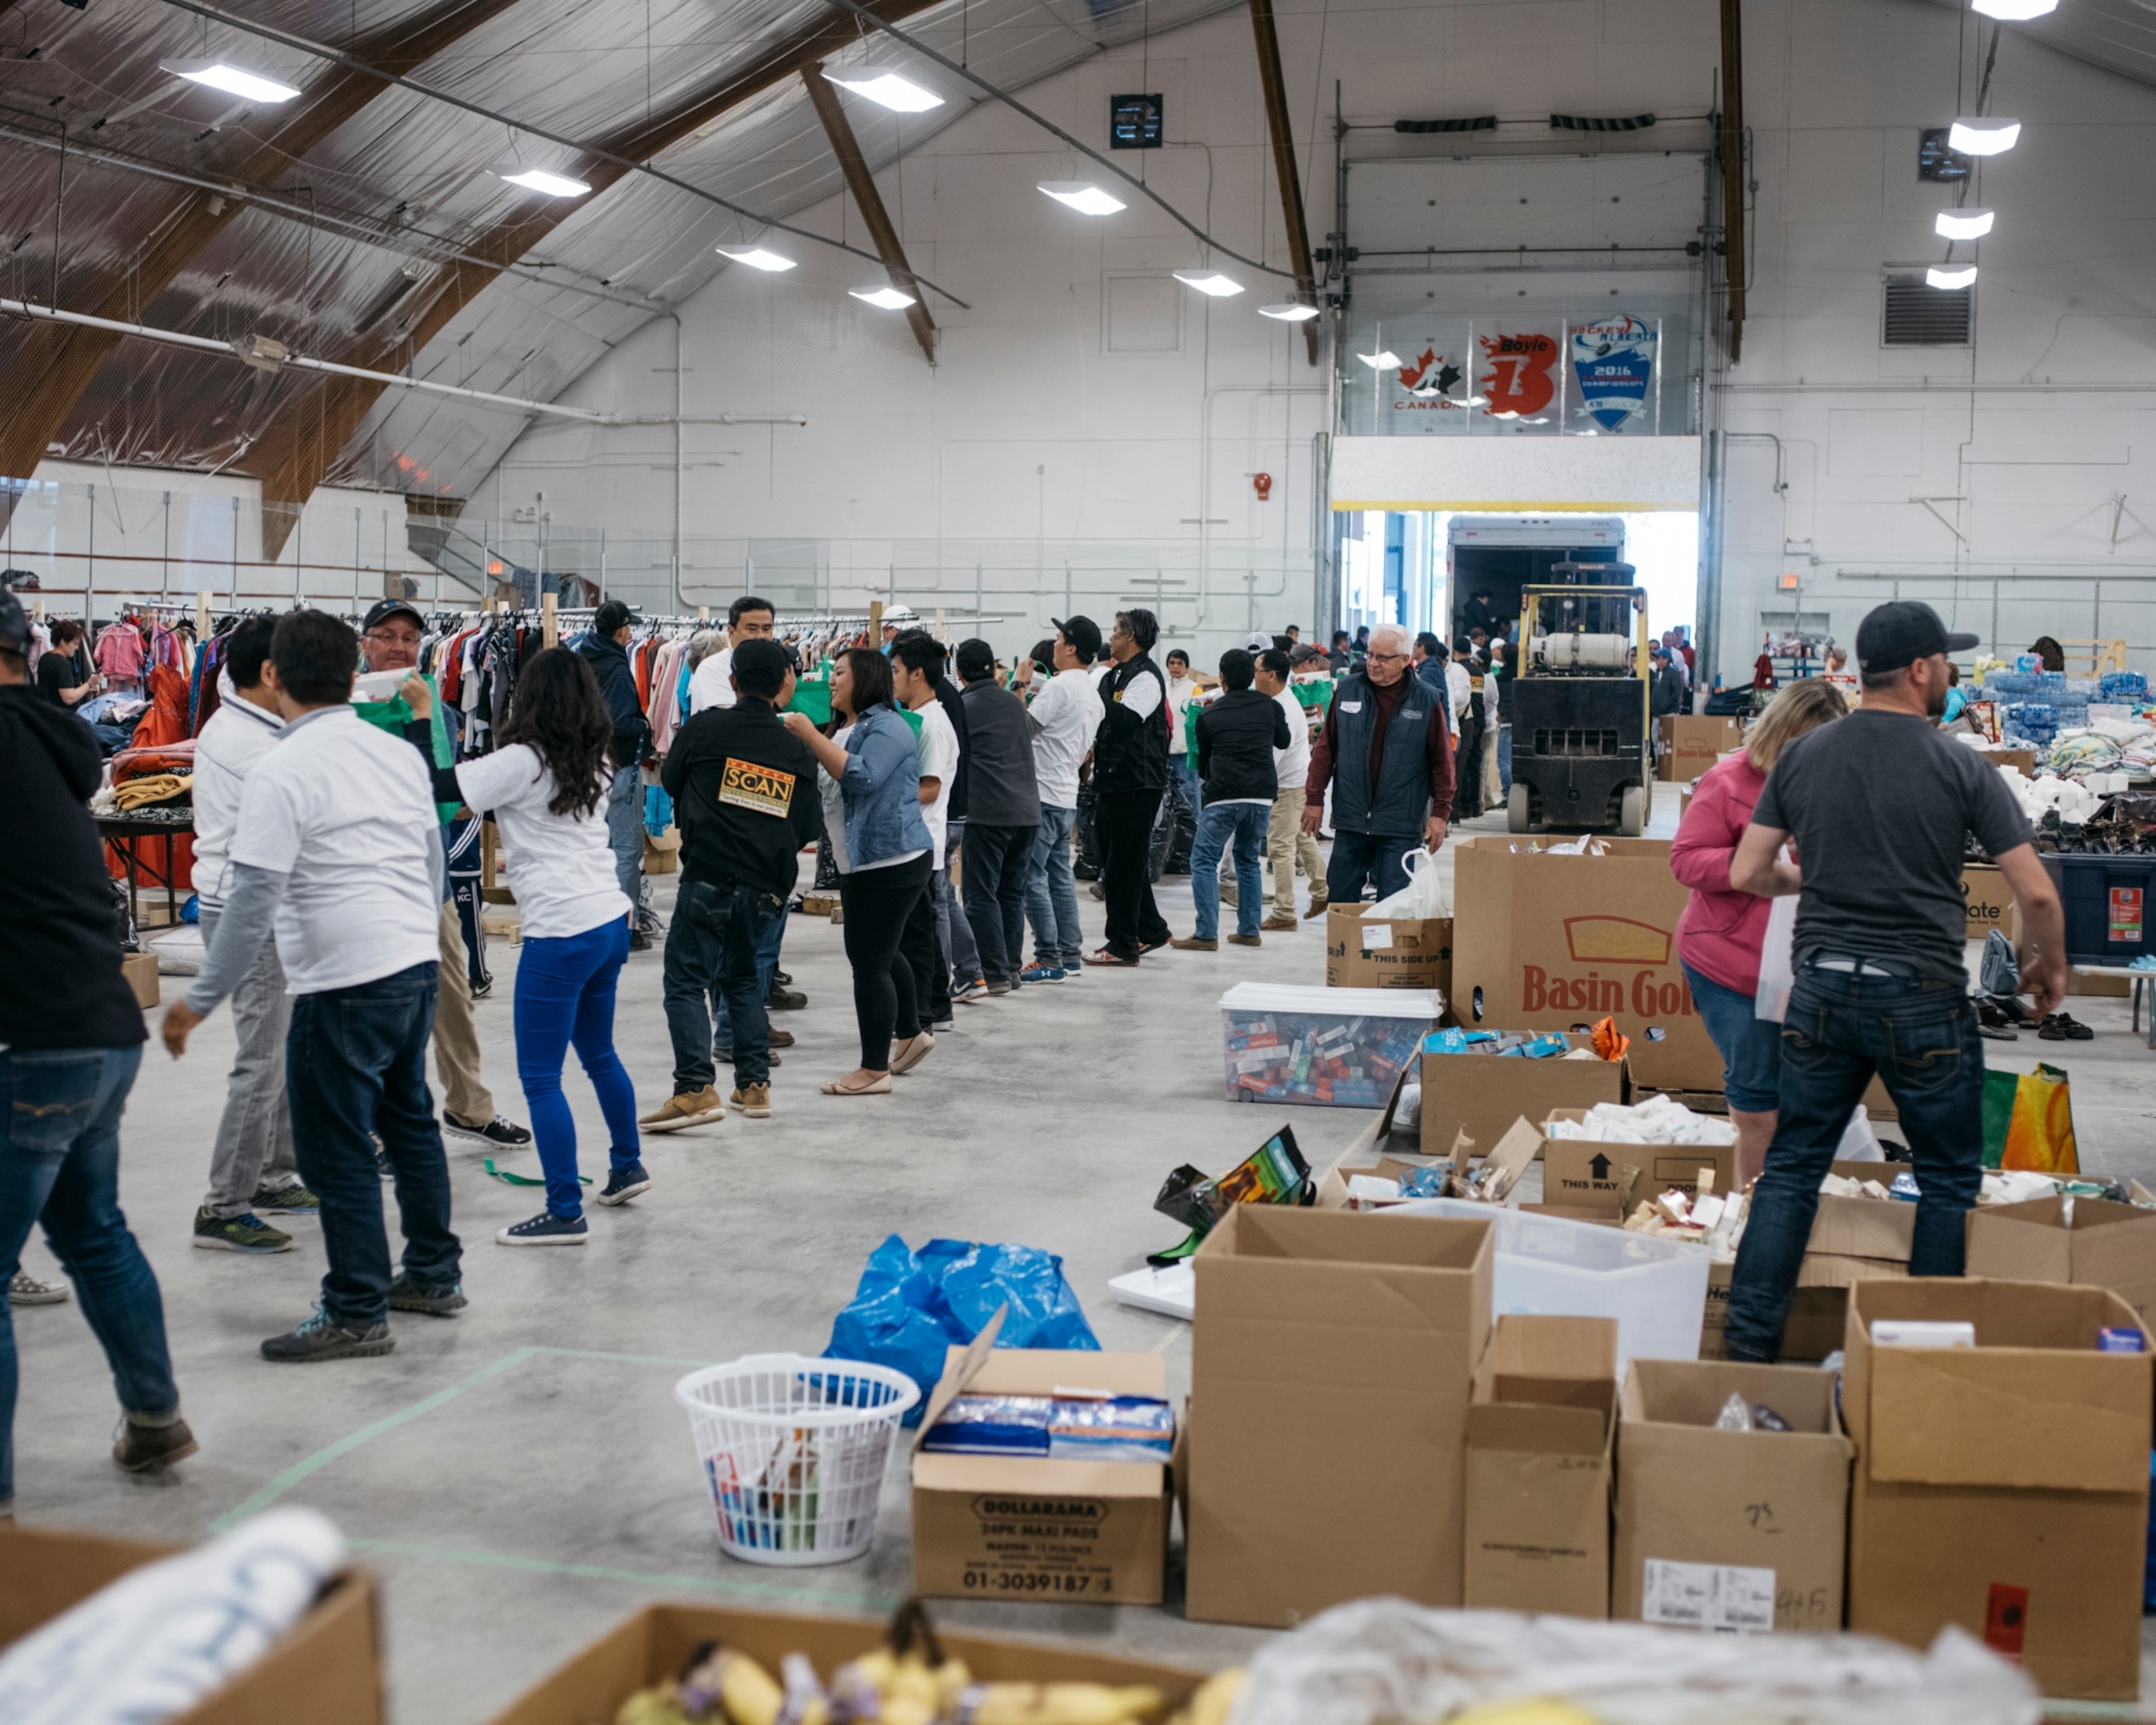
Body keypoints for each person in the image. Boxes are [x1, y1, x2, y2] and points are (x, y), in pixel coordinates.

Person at [1721, 601, 2068, 1362]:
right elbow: (2036, 892)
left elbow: (1748, 870)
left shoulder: (1805, 757)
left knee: (1791, 1173)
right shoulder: (1960, 763)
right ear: (1919, 670)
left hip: (1821, 992)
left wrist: (1816, 885)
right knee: (1946, 1179)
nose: (1950, 674)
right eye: (1946, 662)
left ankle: (1745, 1352)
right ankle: (1919, 1361)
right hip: (1922, 997)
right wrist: (2051, 965)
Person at [164, 609, 466, 1362]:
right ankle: (432, 1272)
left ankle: (356, 1308)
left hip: (341, 979)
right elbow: (432, 863)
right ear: (354, 670)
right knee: (411, 1124)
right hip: (410, 964)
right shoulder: (394, 751)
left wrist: (198, 999)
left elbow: (254, 898)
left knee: (336, 1153)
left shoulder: (281, 768)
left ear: (274, 675)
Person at [0, 590, 194, 1512]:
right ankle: (155, 1416)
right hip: (103, 1031)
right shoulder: (54, 740)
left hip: (30, 1042)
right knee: (93, 1231)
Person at [405, 651, 643, 1246]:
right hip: (608, 920)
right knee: (601, 1057)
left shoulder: (518, 761)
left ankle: (565, 1210)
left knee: (540, 1078)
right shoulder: (599, 759)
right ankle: (626, 1165)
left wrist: (419, 715)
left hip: (560, 933)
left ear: (526, 699)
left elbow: (433, 785)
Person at [360, 598, 531, 1151]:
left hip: (426, 877)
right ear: (364, 644)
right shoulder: (344, 707)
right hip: (368, 882)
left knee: (452, 996)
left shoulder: (435, 705)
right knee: (375, 1008)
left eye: (408, 637)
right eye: (386, 635)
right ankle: (372, 1126)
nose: (398, 647)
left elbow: (441, 791)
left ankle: (469, 1107)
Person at [1670, 680, 1848, 1186]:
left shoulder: (1837, 784)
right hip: (1730, 964)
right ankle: (1754, 1208)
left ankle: (1793, 1197)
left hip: (1808, 966)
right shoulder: (1729, 781)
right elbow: (1685, 860)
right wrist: (1756, 867)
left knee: (1805, 1096)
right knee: (1756, 1100)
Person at [642, 638, 822, 1131]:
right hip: (766, 885)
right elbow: (808, 826)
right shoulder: (796, 749)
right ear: (785, 683)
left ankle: (694, 1089)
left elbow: (673, 780)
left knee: (685, 982)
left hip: (709, 875)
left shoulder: (705, 730)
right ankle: (754, 1085)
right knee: (742, 980)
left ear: (735, 681)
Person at [188, 615, 315, 1255]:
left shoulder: (236, 722)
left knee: (283, 1049)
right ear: (271, 673)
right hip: (248, 912)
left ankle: (271, 1175)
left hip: (252, 907)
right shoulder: (260, 749)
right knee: (261, 1060)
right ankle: (224, 1205)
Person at [783, 650, 934, 1095]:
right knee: (883, 954)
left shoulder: (887, 726)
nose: (832, 681)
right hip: (860, 861)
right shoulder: (846, 728)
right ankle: (910, 1034)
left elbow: (863, 778)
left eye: (841, 674)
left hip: (891, 860)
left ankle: (873, 1070)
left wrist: (810, 735)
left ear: (865, 678)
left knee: (868, 965)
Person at [1303, 622, 1453, 905]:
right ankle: (1345, 951)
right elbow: (1326, 749)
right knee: (1341, 900)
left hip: (1399, 823)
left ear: (1405, 661)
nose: (1373, 663)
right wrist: (1314, 798)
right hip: (1351, 819)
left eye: (1382, 658)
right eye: (1370, 655)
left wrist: (1440, 814)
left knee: (1392, 905)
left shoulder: (1426, 700)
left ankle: (1381, 952)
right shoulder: (1347, 691)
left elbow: (1442, 763)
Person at [1173, 648, 1290, 952]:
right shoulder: (1270, 706)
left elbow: (1203, 762)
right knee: (1249, 859)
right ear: (1252, 676)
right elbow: (1283, 741)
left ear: (1222, 677)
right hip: (1262, 797)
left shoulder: (1209, 713)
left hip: (1224, 795)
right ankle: (1249, 930)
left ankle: (1206, 933)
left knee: (1203, 860)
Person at [1084, 608, 1174, 967]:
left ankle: (1122, 944)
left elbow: (1124, 719)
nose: (1111, 639)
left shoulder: (1146, 677)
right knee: (1118, 856)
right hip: (1113, 779)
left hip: (1137, 783)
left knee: (1123, 863)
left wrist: (1090, 695)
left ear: (1132, 636)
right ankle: (1151, 928)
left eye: (1116, 633)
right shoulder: (1114, 676)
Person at [954, 638, 1040, 995]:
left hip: (988, 813)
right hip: (1027, 813)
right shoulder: (1014, 703)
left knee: (980, 895)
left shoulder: (962, 707)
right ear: (993, 667)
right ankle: (1012, 969)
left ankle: (993, 973)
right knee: (1011, 894)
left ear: (958, 673)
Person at [1021, 618, 1105, 983]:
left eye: (1058, 639)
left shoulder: (1059, 687)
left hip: (1040, 792)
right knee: (1058, 878)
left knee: (1030, 876)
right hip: (1065, 795)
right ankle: (1069, 953)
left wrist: (1019, 687)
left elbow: (1024, 730)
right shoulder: (1094, 695)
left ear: (1071, 647)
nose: (1054, 645)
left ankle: (1049, 956)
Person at [891, 637, 964, 1027]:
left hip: (923, 841)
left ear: (917, 674)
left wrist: (886, 796)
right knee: (923, 931)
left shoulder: (932, 724)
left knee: (915, 935)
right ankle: (938, 1004)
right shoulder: (921, 717)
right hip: (921, 840)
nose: (893, 679)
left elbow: (931, 787)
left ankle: (918, 1015)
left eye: (897, 671)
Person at [575, 599, 656, 949]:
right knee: (625, 850)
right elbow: (619, 721)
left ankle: (596, 920)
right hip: (620, 766)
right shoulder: (618, 667)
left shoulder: (578, 657)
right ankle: (626, 927)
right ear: (623, 630)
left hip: (585, 767)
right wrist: (644, 724)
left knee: (596, 847)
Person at [1253, 648, 1326, 929]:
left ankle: (1284, 912)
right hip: (1297, 781)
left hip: (1288, 785)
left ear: (1271, 675)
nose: (1254, 678)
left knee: (1280, 847)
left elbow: (1273, 754)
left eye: (1257, 672)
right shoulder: (1279, 700)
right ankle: (1324, 891)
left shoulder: (1280, 708)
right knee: (1302, 838)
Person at [687, 594, 774, 715]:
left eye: (766, 629)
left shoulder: (776, 666)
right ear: (731, 632)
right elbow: (731, 722)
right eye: (752, 629)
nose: (760, 636)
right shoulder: (711, 670)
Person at [1164, 648, 1202, 816]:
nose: (1175, 666)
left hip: (1186, 752)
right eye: (1172, 662)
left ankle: (1193, 831)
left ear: (1187, 667)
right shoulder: (1162, 688)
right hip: (1165, 751)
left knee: (1189, 793)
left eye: (1180, 663)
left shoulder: (1195, 690)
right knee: (1165, 796)